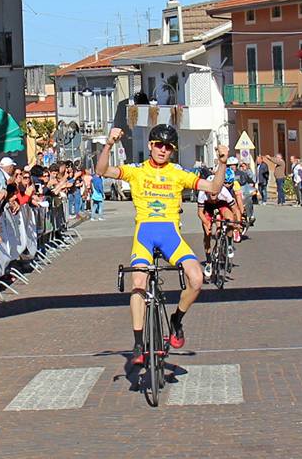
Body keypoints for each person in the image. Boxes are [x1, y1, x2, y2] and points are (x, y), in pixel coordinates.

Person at [96, 124, 229, 366]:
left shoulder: (178, 173)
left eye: (168, 147)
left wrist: (222, 163)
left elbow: (214, 188)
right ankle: (138, 343)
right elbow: (102, 170)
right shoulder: (136, 171)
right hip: (144, 234)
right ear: (150, 145)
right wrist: (109, 144)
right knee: (138, 283)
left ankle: (176, 320)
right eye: (159, 145)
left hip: (170, 235)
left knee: (197, 279)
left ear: (172, 151)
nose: (163, 150)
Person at [196, 172, 238, 280]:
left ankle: (229, 243)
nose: (213, 193)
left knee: (230, 220)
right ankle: (209, 261)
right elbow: (200, 213)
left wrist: (237, 224)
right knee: (207, 233)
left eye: (215, 191)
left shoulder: (224, 192)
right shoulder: (202, 193)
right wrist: (206, 223)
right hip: (207, 207)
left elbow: (235, 209)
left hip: (221, 204)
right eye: (211, 191)